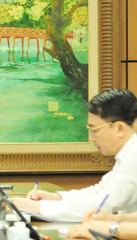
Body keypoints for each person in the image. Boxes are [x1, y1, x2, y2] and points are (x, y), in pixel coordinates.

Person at [12, 89, 137, 218]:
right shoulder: (129, 153)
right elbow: (99, 191)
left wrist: (37, 207)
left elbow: (101, 204)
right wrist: (56, 198)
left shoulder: (134, 156)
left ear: (119, 128)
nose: (91, 138)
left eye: (94, 130)